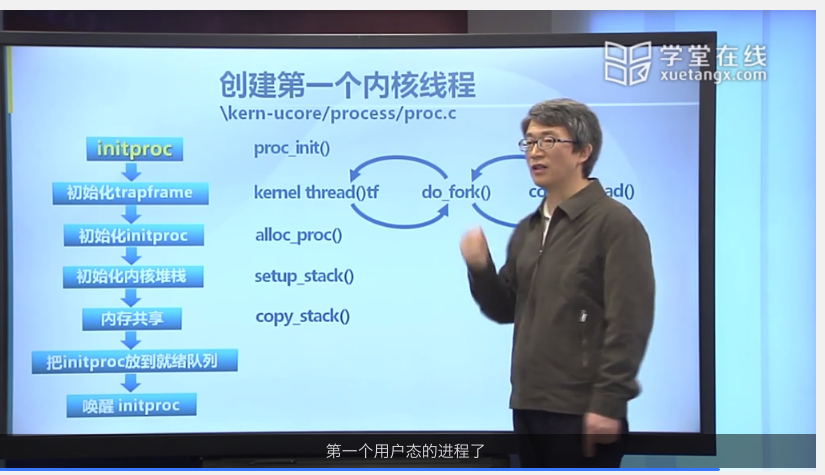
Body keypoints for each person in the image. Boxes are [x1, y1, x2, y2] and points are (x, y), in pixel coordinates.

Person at [460, 98, 655, 468]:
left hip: (582, 411)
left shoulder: (614, 224)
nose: (535, 152)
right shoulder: (528, 229)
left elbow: (629, 322)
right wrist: (480, 268)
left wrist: (608, 403)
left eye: (548, 140)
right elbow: (505, 309)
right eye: (530, 142)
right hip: (529, 405)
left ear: (583, 151)